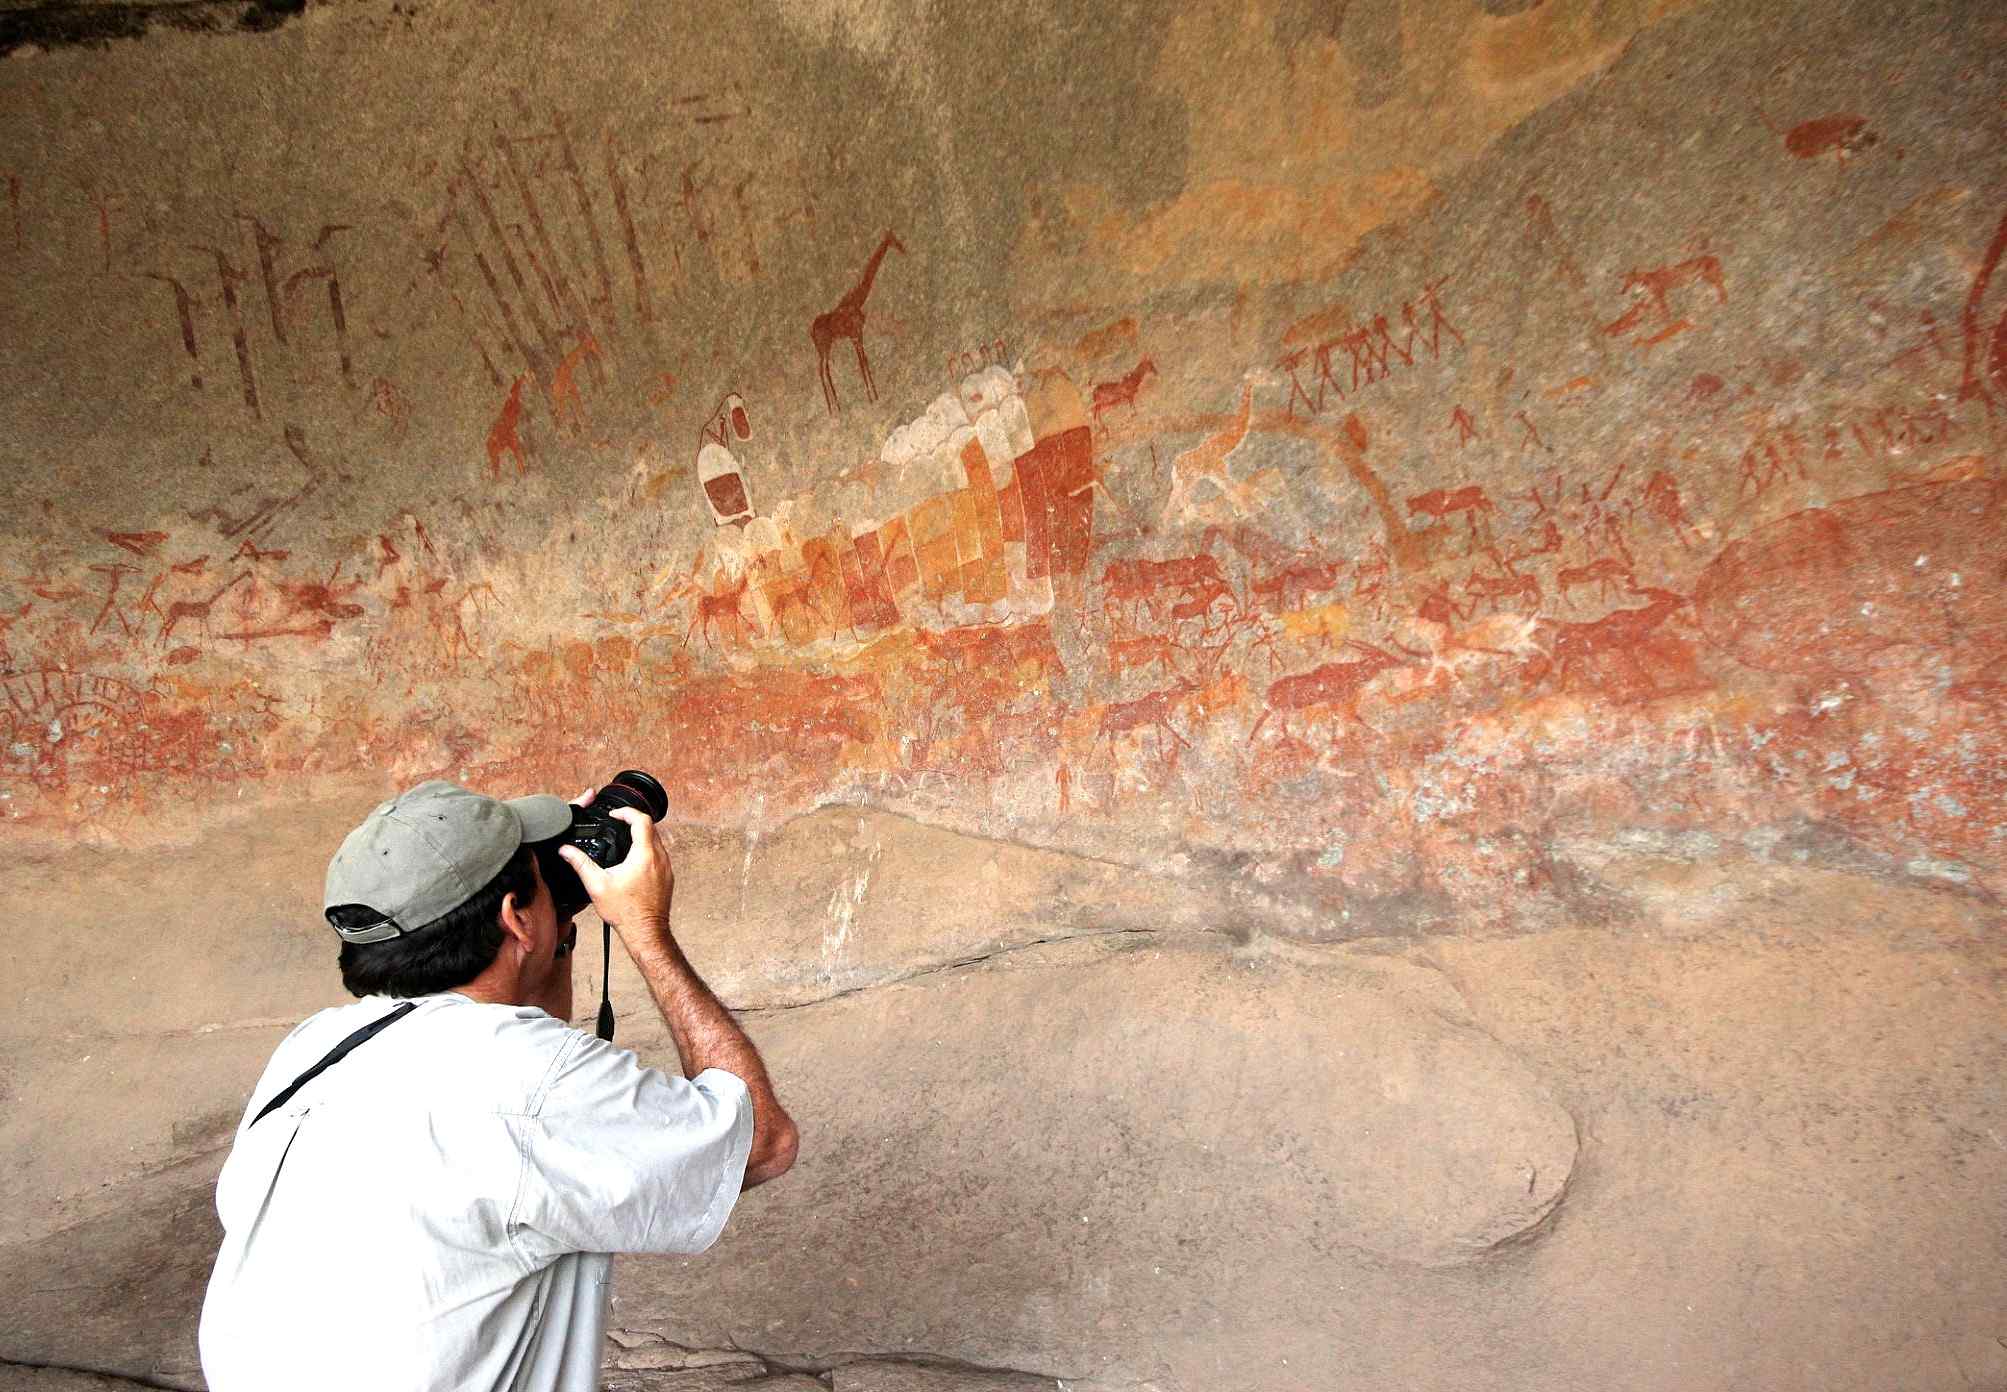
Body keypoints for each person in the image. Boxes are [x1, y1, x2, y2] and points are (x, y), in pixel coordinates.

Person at [198, 779, 798, 1391]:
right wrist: (645, 930)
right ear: (514, 919)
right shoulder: (537, 1079)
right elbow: (763, 1144)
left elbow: (521, 1042)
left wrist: (549, 920)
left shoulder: (313, 1046)